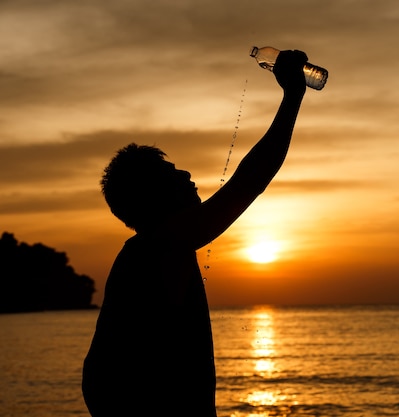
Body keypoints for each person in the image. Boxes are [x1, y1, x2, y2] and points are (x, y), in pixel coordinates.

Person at [82, 50, 308, 416]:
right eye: (173, 174)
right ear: (154, 197)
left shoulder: (143, 254)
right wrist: (292, 95)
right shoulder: (160, 246)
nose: (187, 176)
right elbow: (251, 179)